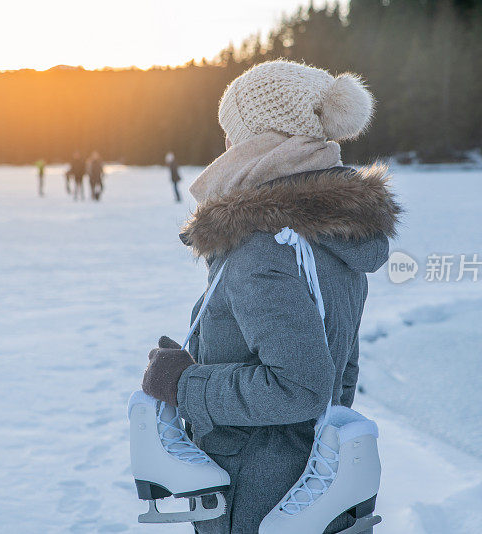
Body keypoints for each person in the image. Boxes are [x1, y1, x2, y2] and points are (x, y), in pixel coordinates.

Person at [141, 60, 400, 534]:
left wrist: (183, 384)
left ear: (259, 140)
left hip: (257, 497)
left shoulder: (263, 244)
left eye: (231, 132)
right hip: (310, 486)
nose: (224, 146)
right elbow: (339, 371)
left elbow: (300, 387)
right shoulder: (330, 233)